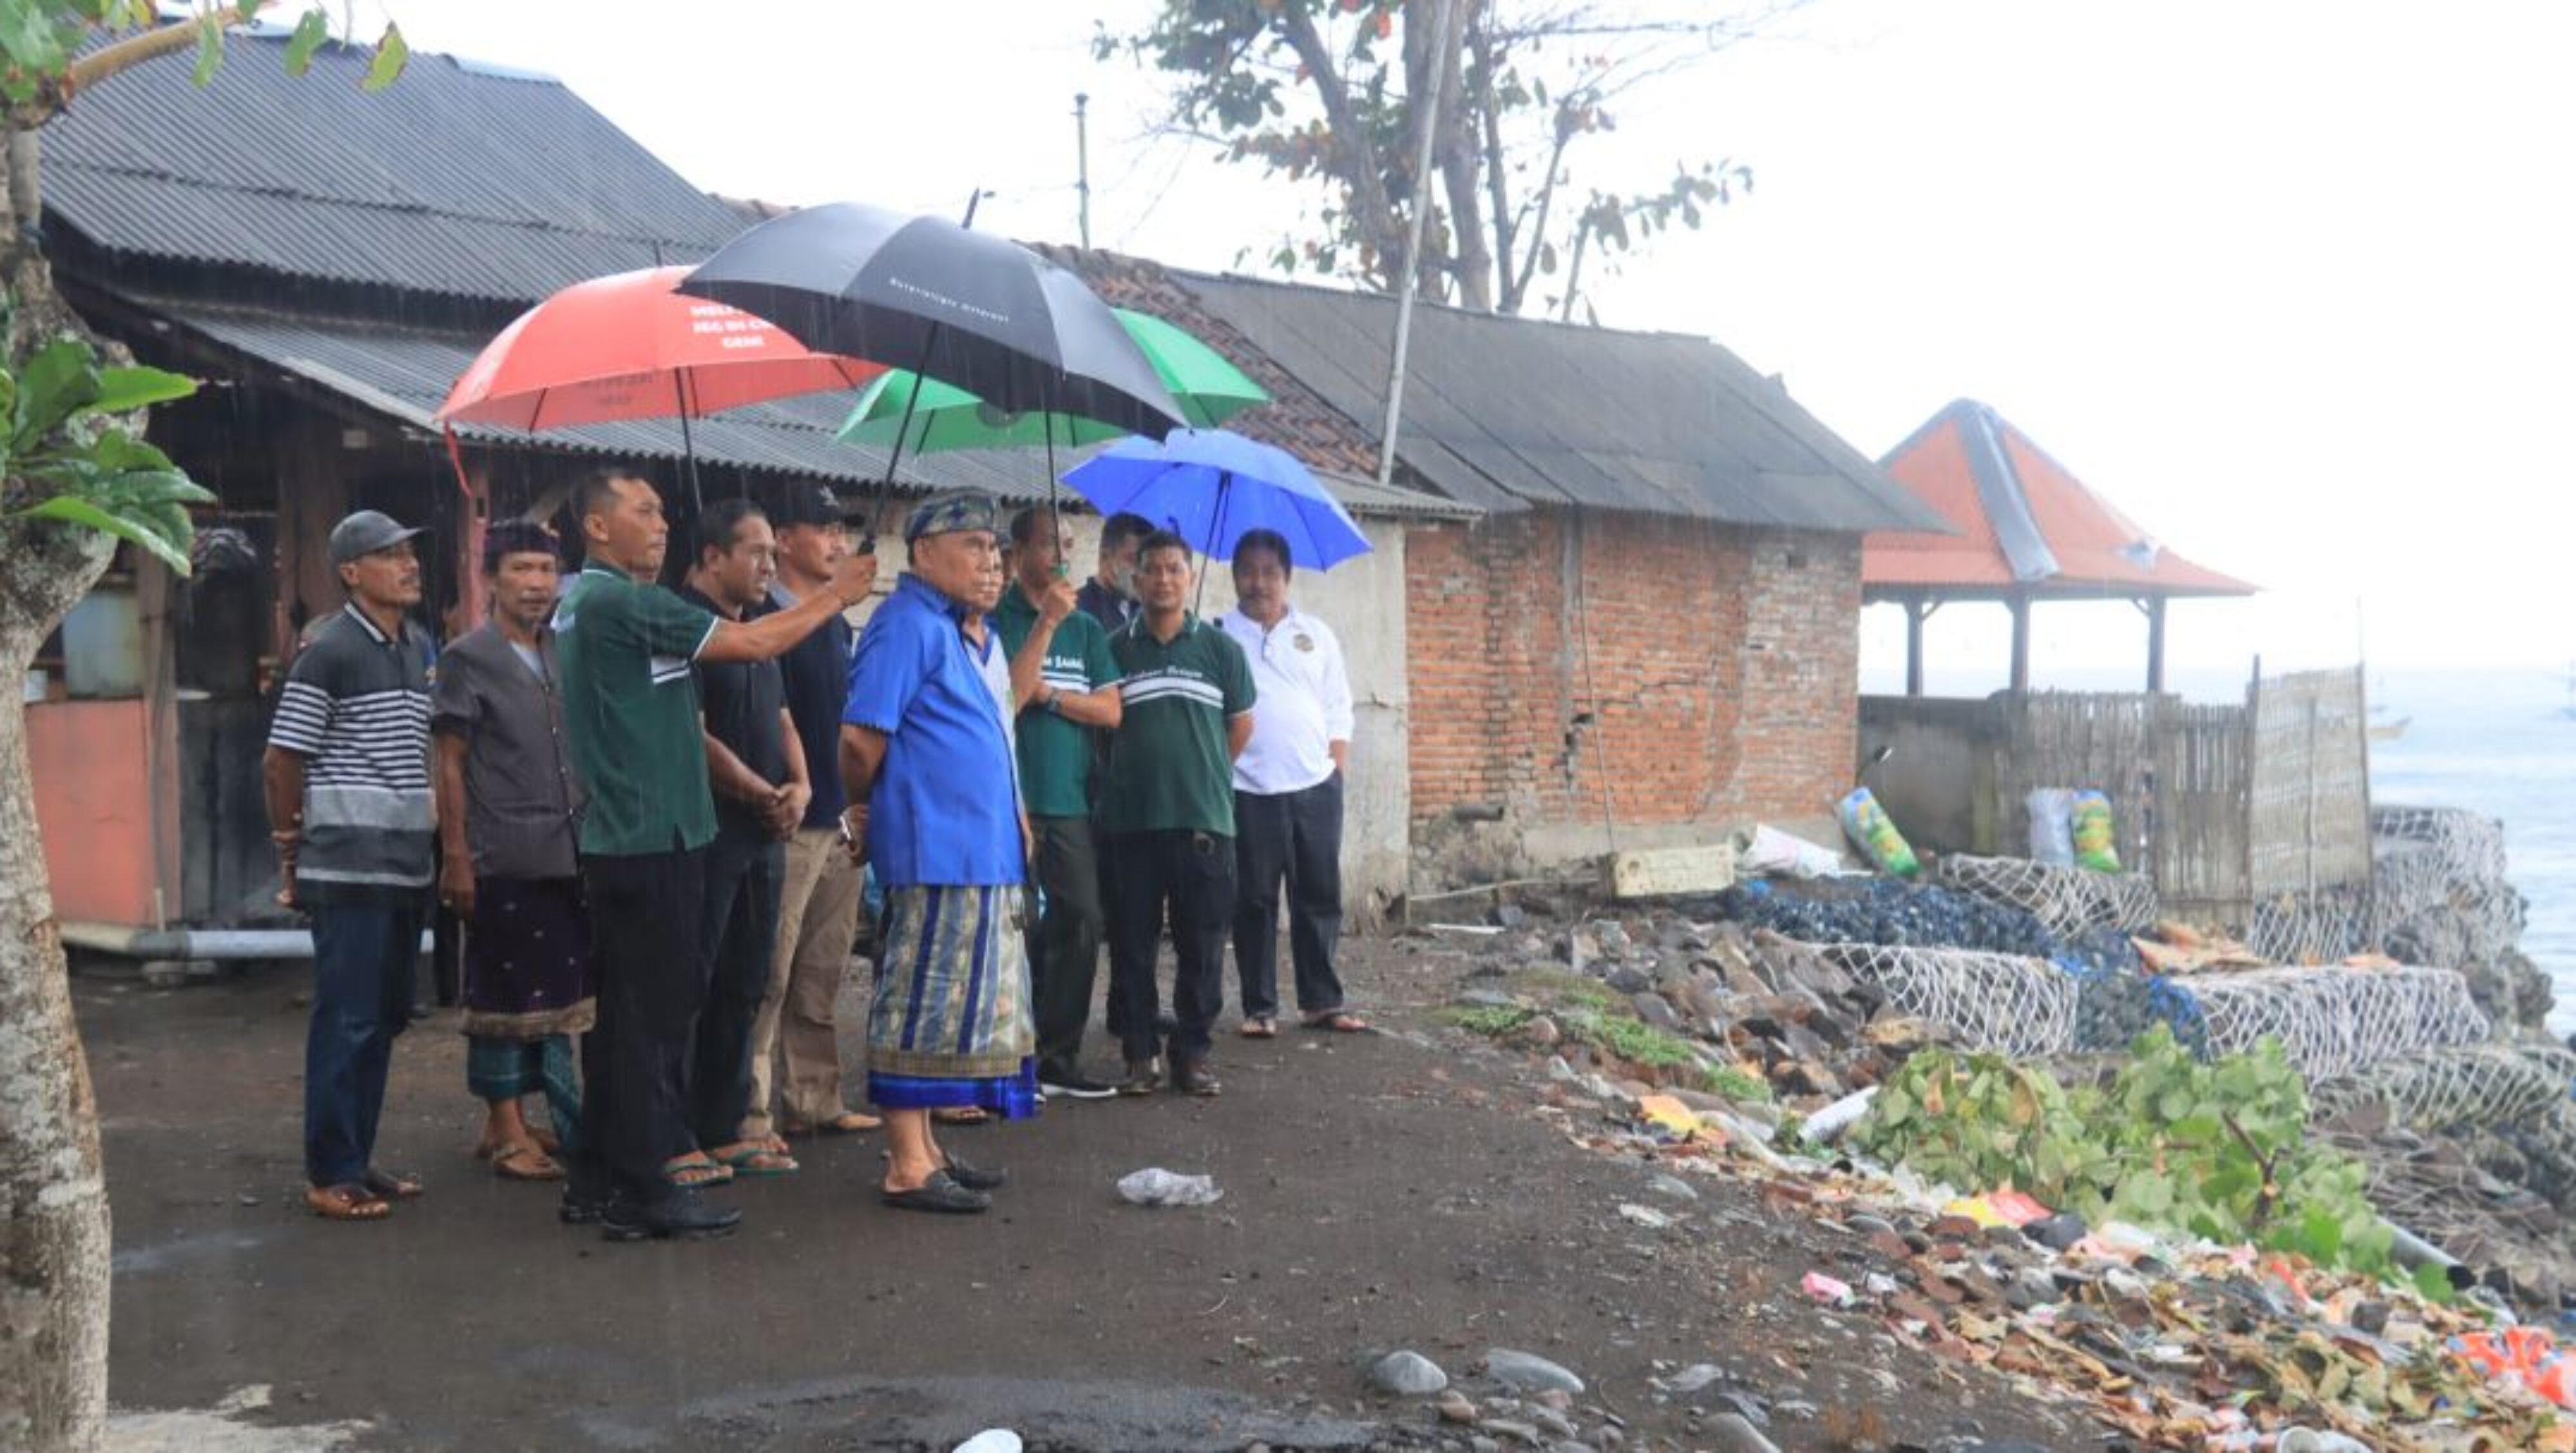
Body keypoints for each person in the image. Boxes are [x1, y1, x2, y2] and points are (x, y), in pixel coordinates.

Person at [553, 465, 876, 1243]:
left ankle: (598, 1176)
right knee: (650, 1022)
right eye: (643, 511)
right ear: (597, 527)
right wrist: (836, 595)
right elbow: (758, 638)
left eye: (664, 511)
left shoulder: (607, 604)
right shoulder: (612, 601)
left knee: (629, 1017)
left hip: (642, 832)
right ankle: (643, 1187)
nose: (661, 523)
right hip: (647, 833)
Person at [842, 489, 1033, 1213]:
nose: (992, 563)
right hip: (932, 850)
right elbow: (861, 738)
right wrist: (862, 807)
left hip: (977, 852)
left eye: (995, 549)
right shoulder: (905, 625)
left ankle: (925, 1149)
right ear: (924, 554)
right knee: (916, 1001)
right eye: (975, 546)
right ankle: (904, 1165)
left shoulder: (956, 630)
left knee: (952, 1008)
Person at [263, 509, 438, 1222]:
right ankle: (330, 1170)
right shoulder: (330, 649)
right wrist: (289, 844)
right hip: (347, 865)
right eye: (390, 555)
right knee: (348, 1019)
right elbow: (282, 758)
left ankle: (358, 1158)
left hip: (404, 862)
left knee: (386, 1015)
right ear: (350, 573)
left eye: (409, 553)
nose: (409, 565)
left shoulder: (418, 645)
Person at [431, 520, 594, 1185]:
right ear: (491, 578)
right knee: (502, 992)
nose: (536, 585)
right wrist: (456, 855)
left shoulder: (562, 651)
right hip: (501, 850)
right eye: (522, 570)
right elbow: (449, 762)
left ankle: (526, 1119)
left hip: (567, 848)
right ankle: (504, 1129)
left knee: (554, 992)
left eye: (546, 571)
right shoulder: (467, 658)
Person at [739, 482, 878, 1144]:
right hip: (787, 819)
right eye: (821, 528)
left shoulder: (837, 621)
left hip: (838, 815)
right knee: (769, 970)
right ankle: (751, 1110)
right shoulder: (763, 616)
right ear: (784, 539)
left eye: (840, 529)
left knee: (822, 969)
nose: (836, 541)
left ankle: (815, 1097)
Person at [1099, 531, 1256, 1097]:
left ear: (1189, 578)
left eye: (1174, 569)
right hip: (1131, 824)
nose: (1164, 579)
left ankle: (1193, 1053)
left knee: (1203, 946)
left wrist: (1203, 772)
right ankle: (1140, 1055)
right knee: (1132, 947)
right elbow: (1101, 731)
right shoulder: (1114, 648)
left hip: (1204, 823)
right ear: (1135, 578)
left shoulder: (1220, 651)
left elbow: (1240, 727)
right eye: (1153, 570)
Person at [676, 498, 804, 1182]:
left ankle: (724, 1126)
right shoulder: (686, 627)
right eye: (754, 551)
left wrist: (801, 786)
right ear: (710, 557)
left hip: (767, 832)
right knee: (696, 978)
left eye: (771, 551)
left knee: (749, 979)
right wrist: (759, 790)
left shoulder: (756, 629)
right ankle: (681, 1129)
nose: (768, 564)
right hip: (709, 833)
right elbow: (694, 736)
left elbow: (782, 718)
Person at [993, 507, 1124, 1101]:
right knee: (1015, 927)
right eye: (1050, 543)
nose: (1062, 556)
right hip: (1008, 798)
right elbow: (1005, 701)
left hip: (1068, 800)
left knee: (1081, 919)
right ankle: (1008, 1054)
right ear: (1018, 551)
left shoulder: (1088, 629)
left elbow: (1110, 710)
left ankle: (1057, 1056)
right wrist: (1042, 635)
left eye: (1070, 543)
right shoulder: (996, 620)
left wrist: (1053, 697)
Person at [1219, 529, 1367, 1037]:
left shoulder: (1316, 634)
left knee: (1319, 895)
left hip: (1315, 786)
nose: (1258, 583)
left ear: (1286, 577)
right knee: (1254, 900)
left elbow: (1338, 705)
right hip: (1247, 787)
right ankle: (1260, 1009)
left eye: (1269, 573)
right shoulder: (1219, 635)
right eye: (1248, 572)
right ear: (1234, 576)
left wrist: (1336, 768)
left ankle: (1322, 1002)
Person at [1075, 511, 1153, 634]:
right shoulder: (1076, 612)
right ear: (1105, 556)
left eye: (1146, 563)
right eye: (1133, 560)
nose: (1140, 571)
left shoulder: (1146, 613)